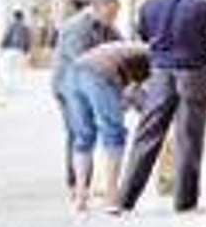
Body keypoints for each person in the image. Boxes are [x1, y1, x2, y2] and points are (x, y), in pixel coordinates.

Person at [117, 0, 206, 213]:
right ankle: (185, 202)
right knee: (189, 138)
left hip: (160, 73)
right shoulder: (204, 5)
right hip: (194, 74)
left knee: (147, 134)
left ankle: (124, 200)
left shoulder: (149, 5)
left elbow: (143, 35)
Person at [64, 41, 151, 213]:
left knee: (83, 137)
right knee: (113, 134)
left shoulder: (133, 50)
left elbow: (131, 92)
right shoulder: (155, 57)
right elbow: (141, 95)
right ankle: (111, 198)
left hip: (73, 72)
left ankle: (80, 198)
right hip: (99, 74)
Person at [51, 0, 122, 191]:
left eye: (115, 15)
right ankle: (76, 185)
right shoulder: (75, 27)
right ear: (97, 8)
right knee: (78, 132)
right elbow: (81, 59)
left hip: (92, 86)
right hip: (68, 87)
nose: (113, 19)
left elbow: (120, 48)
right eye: (110, 14)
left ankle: (85, 184)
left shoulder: (108, 27)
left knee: (93, 131)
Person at [0, 10, 32, 91]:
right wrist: (26, 51)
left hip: (9, 50)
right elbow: (28, 40)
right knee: (17, 69)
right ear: (22, 18)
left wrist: (2, 47)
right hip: (20, 51)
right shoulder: (26, 28)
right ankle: (16, 86)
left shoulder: (11, 26)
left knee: (7, 69)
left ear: (14, 17)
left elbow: (6, 37)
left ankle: (8, 86)